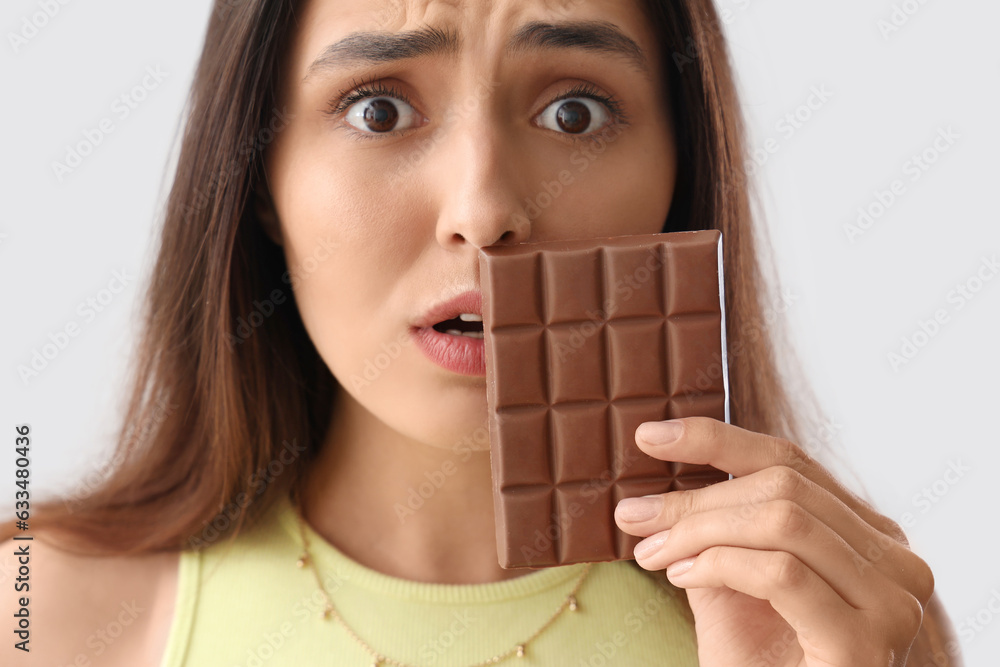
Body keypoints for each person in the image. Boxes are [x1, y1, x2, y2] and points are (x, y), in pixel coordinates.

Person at [3, 0, 962, 665]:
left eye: (574, 110)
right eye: (379, 109)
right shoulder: (32, 613)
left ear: (682, 173)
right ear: (259, 178)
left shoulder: (840, 625)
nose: (484, 206)